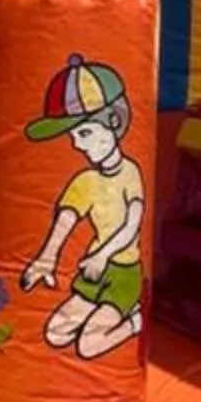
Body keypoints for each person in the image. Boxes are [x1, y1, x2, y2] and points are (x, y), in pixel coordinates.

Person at [20, 54, 146, 357]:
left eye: (85, 133)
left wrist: (103, 254)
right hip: (94, 272)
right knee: (55, 333)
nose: (77, 144)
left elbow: (133, 223)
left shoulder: (130, 172)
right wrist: (46, 259)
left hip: (123, 272)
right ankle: (104, 317)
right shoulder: (86, 180)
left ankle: (135, 320)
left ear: (113, 122)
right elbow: (66, 219)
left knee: (88, 347)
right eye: (74, 136)